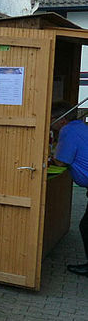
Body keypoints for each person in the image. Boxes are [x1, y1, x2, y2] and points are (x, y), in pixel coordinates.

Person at [49, 101, 88, 276]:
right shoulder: (80, 126)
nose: (51, 124)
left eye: (52, 120)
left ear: (62, 120)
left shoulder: (68, 131)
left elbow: (61, 160)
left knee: (86, 226)